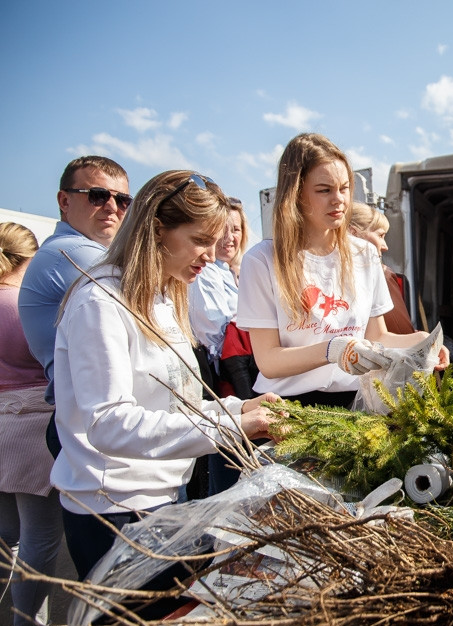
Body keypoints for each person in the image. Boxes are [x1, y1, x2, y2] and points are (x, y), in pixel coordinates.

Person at [49, 170, 278, 579]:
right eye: (199, 241)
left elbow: (177, 404)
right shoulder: (100, 303)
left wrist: (240, 407)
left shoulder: (161, 298)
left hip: (163, 498)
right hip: (114, 511)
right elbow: (109, 424)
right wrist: (232, 428)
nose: (210, 255)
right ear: (157, 231)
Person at [237, 133, 447, 408]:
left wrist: (419, 342)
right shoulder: (262, 260)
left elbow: (376, 337)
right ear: (296, 195)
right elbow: (269, 361)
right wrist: (332, 350)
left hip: (358, 403)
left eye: (344, 188)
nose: (338, 200)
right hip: (291, 408)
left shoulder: (364, 253)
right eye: (324, 190)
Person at [18, 156, 129, 459]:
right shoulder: (71, 253)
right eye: (97, 195)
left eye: (122, 200)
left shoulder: (87, 255)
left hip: (97, 415)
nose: (111, 207)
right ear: (64, 201)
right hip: (93, 422)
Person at [0, 223, 62, 626]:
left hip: (2, 426)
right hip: (29, 429)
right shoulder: (20, 305)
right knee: (40, 539)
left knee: (8, 537)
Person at [188, 196, 252, 495]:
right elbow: (216, 331)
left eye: (236, 229)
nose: (230, 238)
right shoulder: (203, 275)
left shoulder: (228, 272)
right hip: (218, 381)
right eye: (223, 230)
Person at [348, 201, 416, 335]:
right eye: (380, 235)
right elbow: (402, 332)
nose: (385, 246)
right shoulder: (382, 274)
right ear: (354, 233)